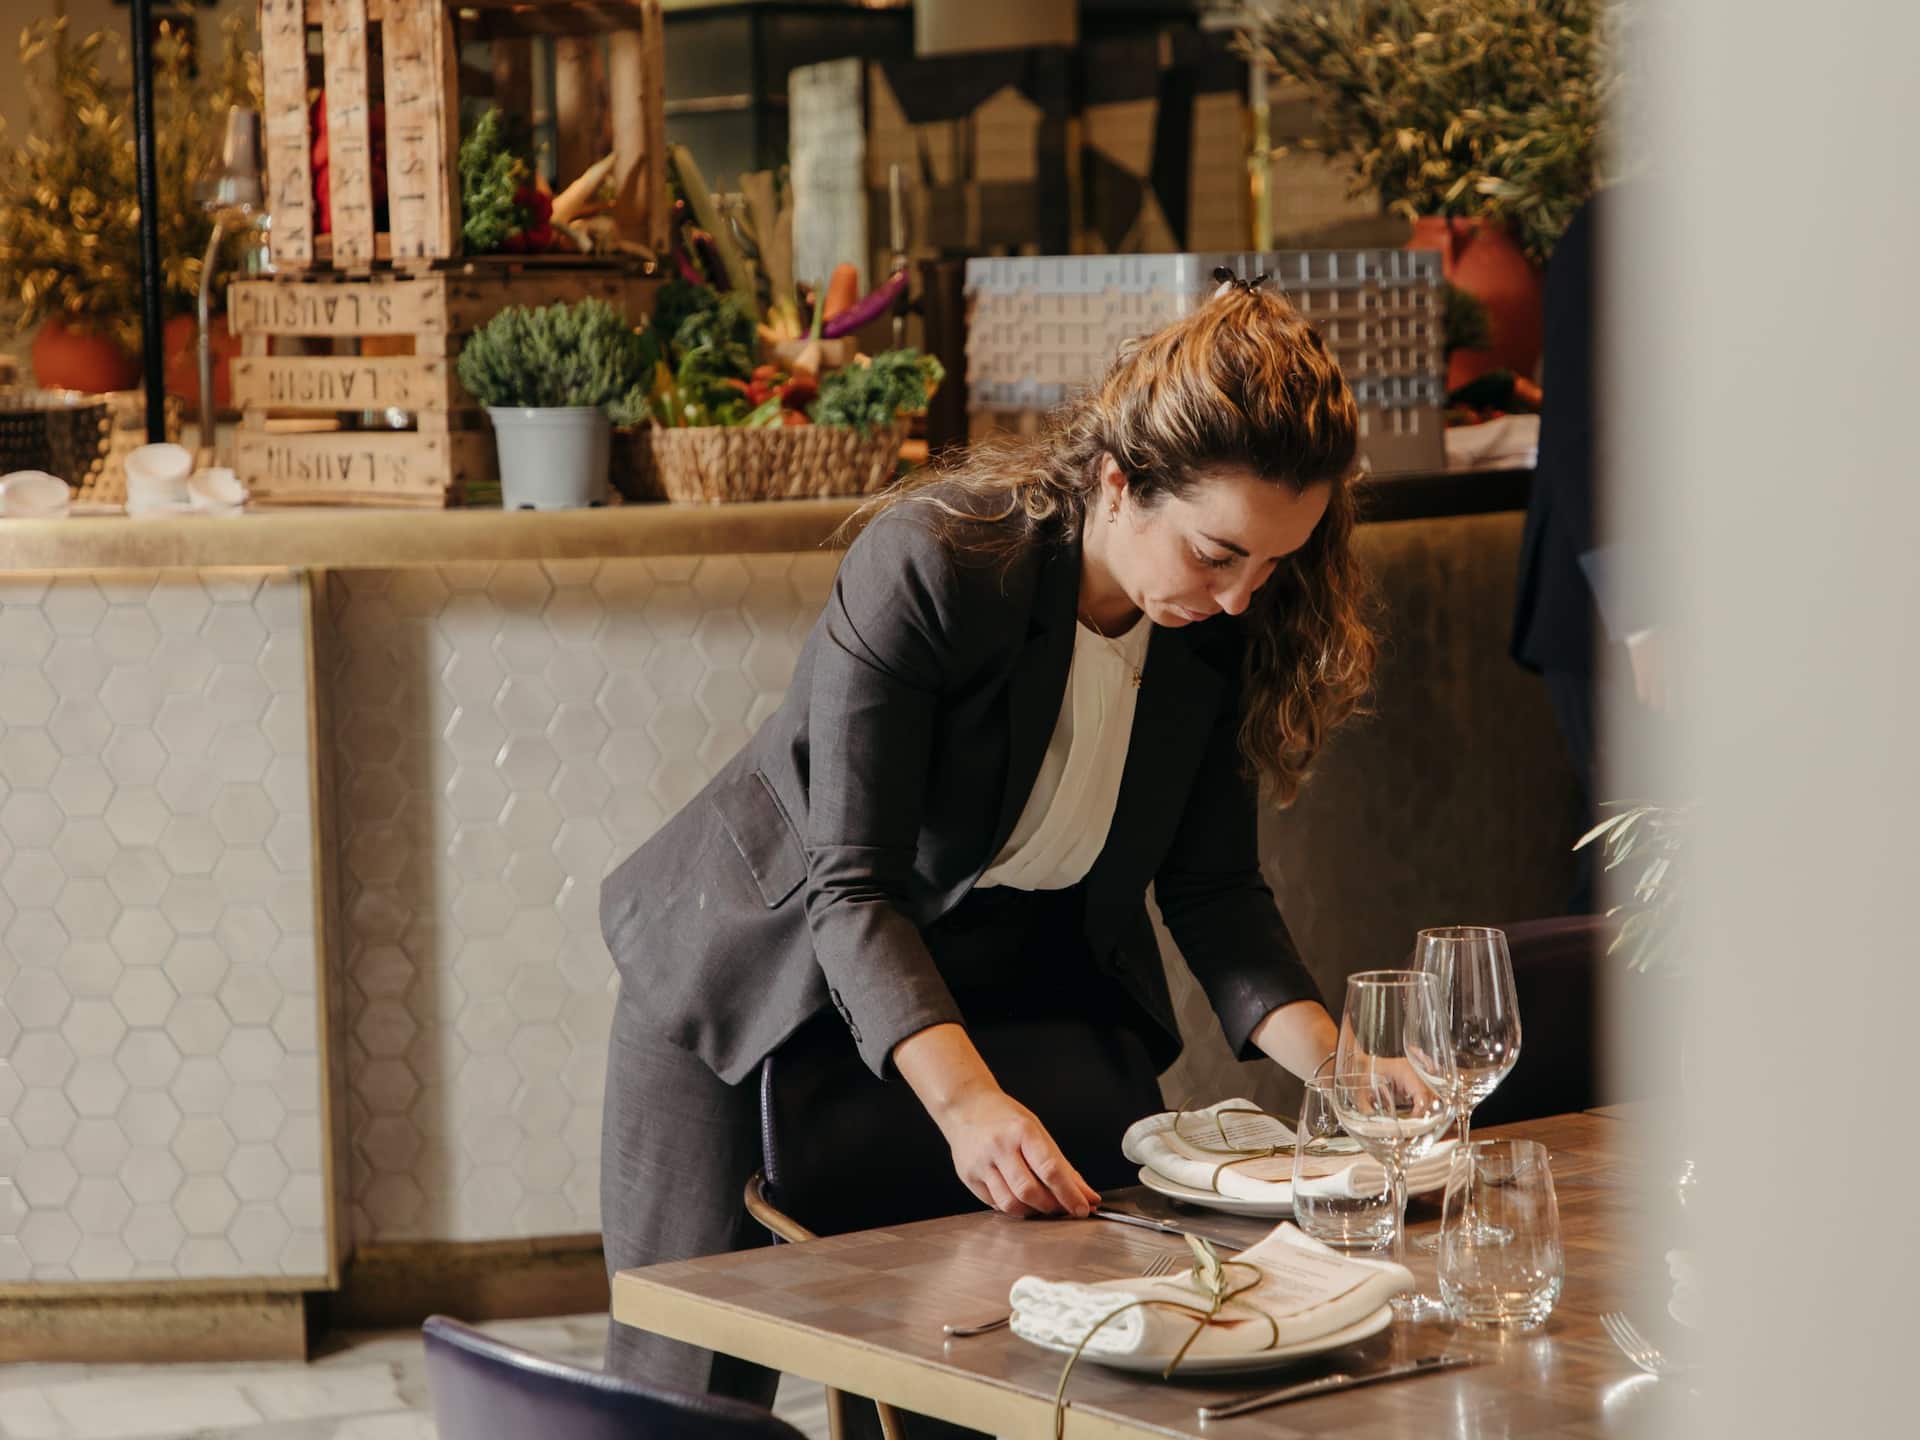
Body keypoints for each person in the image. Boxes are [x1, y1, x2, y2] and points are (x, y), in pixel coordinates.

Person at [598, 276, 1378, 1399]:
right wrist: (969, 1108)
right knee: (690, 1403)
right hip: (748, 992)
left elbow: (1212, 892)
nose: (1246, 595)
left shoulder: (1210, 625)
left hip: (964, 1003)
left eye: (1275, 563)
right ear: (1119, 482)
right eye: (1218, 553)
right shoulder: (937, 562)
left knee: (972, 1379)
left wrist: (1350, 1077)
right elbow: (852, 887)